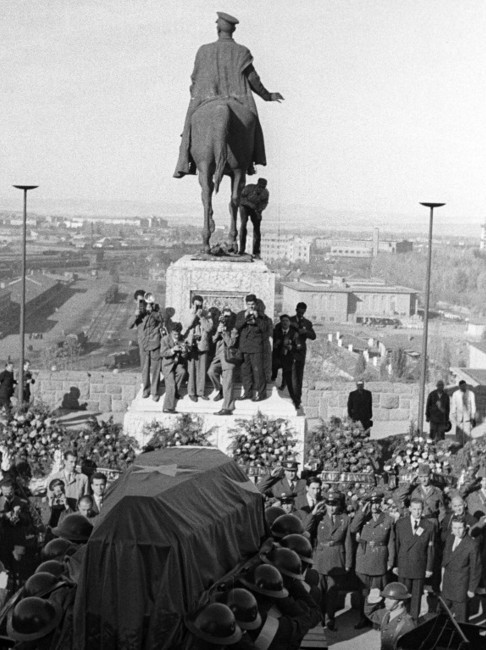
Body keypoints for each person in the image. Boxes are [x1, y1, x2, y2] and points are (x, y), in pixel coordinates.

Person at [173, 12, 283, 179]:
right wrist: (268, 96)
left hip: (206, 97)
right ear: (232, 31)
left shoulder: (204, 51)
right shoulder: (242, 51)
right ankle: (254, 159)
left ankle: (184, 162)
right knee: (253, 126)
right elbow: (253, 79)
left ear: (218, 29)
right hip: (238, 99)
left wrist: (197, 92)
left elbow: (195, 78)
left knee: (189, 125)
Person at [307, 490, 352, 631]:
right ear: (325, 504)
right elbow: (305, 529)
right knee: (318, 591)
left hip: (336, 558)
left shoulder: (345, 519)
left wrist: (348, 563)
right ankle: (318, 618)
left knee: (332, 594)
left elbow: (348, 543)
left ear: (339, 505)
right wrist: (313, 514)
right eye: (329, 504)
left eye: (334, 504)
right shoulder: (318, 517)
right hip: (320, 558)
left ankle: (330, 619)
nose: (332, 508)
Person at [350, 491, 396, 629]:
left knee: (377, 591)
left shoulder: (387, 519)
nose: (374, 506)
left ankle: (376, 620)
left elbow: (391, 542)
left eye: (377, 502)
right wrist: (362, 512)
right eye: (372, 503)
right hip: (364, 559)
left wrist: (390, 561)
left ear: (381, 503)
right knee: (363, 592)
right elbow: (353, 529)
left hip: (379, 558)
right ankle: (363, 618)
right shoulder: (363, 517)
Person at [393, 498, 435, 621]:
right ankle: (401, 621)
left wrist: (429, 568)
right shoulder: (401, 523)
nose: (417, 512)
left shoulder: (428, 525)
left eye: (419, 509)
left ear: (423, 510)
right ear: (410, 509)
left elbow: (430, 549)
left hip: (419, 566)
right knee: (403, 596)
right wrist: (395, 565)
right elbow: (396, 546)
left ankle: (413, 621)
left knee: (416, 597)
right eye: (414, 509)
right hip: (404, 565)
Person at [441, 517, 482, 622]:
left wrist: (472, 589)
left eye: (460, 528)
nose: (457, 531)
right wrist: (442, 580)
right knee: (443, 613)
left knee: (461, 618)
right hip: (447, 583)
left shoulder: (472, 545)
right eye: (454, 528)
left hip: (461, 587)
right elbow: (445, 562)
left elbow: (476, 569)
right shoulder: (450, 539)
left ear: (466, 528)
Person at [234, 294, 268, 401]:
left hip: (256, 348)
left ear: (256, 304)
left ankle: (261, 394)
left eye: (252, 304)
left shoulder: (262, 316)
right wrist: (245, 317)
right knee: (245, 372)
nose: (251, 306)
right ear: (246, 304)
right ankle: (247, 393)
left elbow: (265, 329)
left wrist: (257, 318)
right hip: (244, 348)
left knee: (258, 372)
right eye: (248, 304)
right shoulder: (241, 314)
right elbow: (237, 327)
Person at [364, 582, 416, 650]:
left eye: (390, 599)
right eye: (386, 598)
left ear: (401, 602)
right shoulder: (386, 613)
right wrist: (371, 601)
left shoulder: (407, 625)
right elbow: (370, 613)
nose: (385, 601)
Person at [207, 307, 237, 415]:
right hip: (218, 355)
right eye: (224, 316)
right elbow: (213, 340)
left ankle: (227, 408)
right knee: (211, 372)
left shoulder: (234, 330)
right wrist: (218, 332)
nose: (226, 319)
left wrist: (224, 332)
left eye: (228, 316)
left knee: (227, 382)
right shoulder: (219, 326)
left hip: (228, 357)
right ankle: (220, 390)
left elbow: (230, 343)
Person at [183, 295, 213, 402]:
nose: (198, 307)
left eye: (200, 305)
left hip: (202, 344)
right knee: (191, 369)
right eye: (196, 305)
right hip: (192, 344)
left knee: (202, 369)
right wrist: (194, 315)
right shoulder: (188, 313)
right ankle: (191, 392)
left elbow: (209, 328)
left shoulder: (206, 314)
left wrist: (202, 317)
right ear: (192, 304)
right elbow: (187, 325)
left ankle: (201, 392)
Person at [289, 303, 316, 410]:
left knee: (299, 376)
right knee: (292, 375)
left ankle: (297, 399)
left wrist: (305, 331)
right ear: (296, 310)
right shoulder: (289, 320)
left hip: (301, 352)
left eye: (303, 311)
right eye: (299, 311)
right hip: (291, 350)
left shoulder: (307, 323)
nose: (301, 313)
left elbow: (313, 336)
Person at [160, 321, 188, 414]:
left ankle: (174, 392)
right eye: (175, 334)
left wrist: (184, 351)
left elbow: (184, 356)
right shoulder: (165, 339)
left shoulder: (182, 338)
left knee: (182, 372)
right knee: (171, 383)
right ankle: (167, 408)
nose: (177, 336)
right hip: (167, 365)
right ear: (171, 332)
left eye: (178, 334)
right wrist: (172, 350)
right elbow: (163, 353)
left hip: (177, 364)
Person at [271, 314, 299, 406]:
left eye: (287, 321)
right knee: (274, 366)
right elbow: (271, 343)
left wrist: (292, 347)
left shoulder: (294, 333)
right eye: (283, 321)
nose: (285, 323)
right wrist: (275, 344)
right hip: (277, 355)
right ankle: (273, 380)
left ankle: (283, 385)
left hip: (288, 356)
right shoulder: (276, 332)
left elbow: (298, 346)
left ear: (289, 322)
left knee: (286, 371)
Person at [238, 178, 269, 257]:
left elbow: (264, 203)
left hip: (255, 209)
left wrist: (259, 211)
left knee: (257, 228)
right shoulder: (248, 188)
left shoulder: (265, 193)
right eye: (260, 186)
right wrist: (249, 204)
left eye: (263, 187)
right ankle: (241, 249)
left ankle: (256, 251)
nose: (261, 189)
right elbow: (241, 199)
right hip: (244, 206)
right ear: (257, 184)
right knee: (243, 225)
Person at [140, 294, 162, 401]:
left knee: (155, 368)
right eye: (147, 304)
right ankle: (146, 390)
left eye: (150, 304)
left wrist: (153, 311)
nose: (148, 305)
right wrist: (143, 311)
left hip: (155, 343)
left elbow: (162, 319)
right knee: (145, 369)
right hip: (145, 344)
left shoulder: (156, 311)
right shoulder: (142, 313)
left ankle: (155, 392)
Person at [127, 288, 147, 372]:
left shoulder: (151, 309)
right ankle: (144, 383)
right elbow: (129, 325)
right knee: (144, 365)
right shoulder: (135, 312)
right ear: (135, 301)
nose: (142, 303)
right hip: (143, 341)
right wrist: (135, 315)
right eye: (140, 301)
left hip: (154, 340)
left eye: (144, 300)